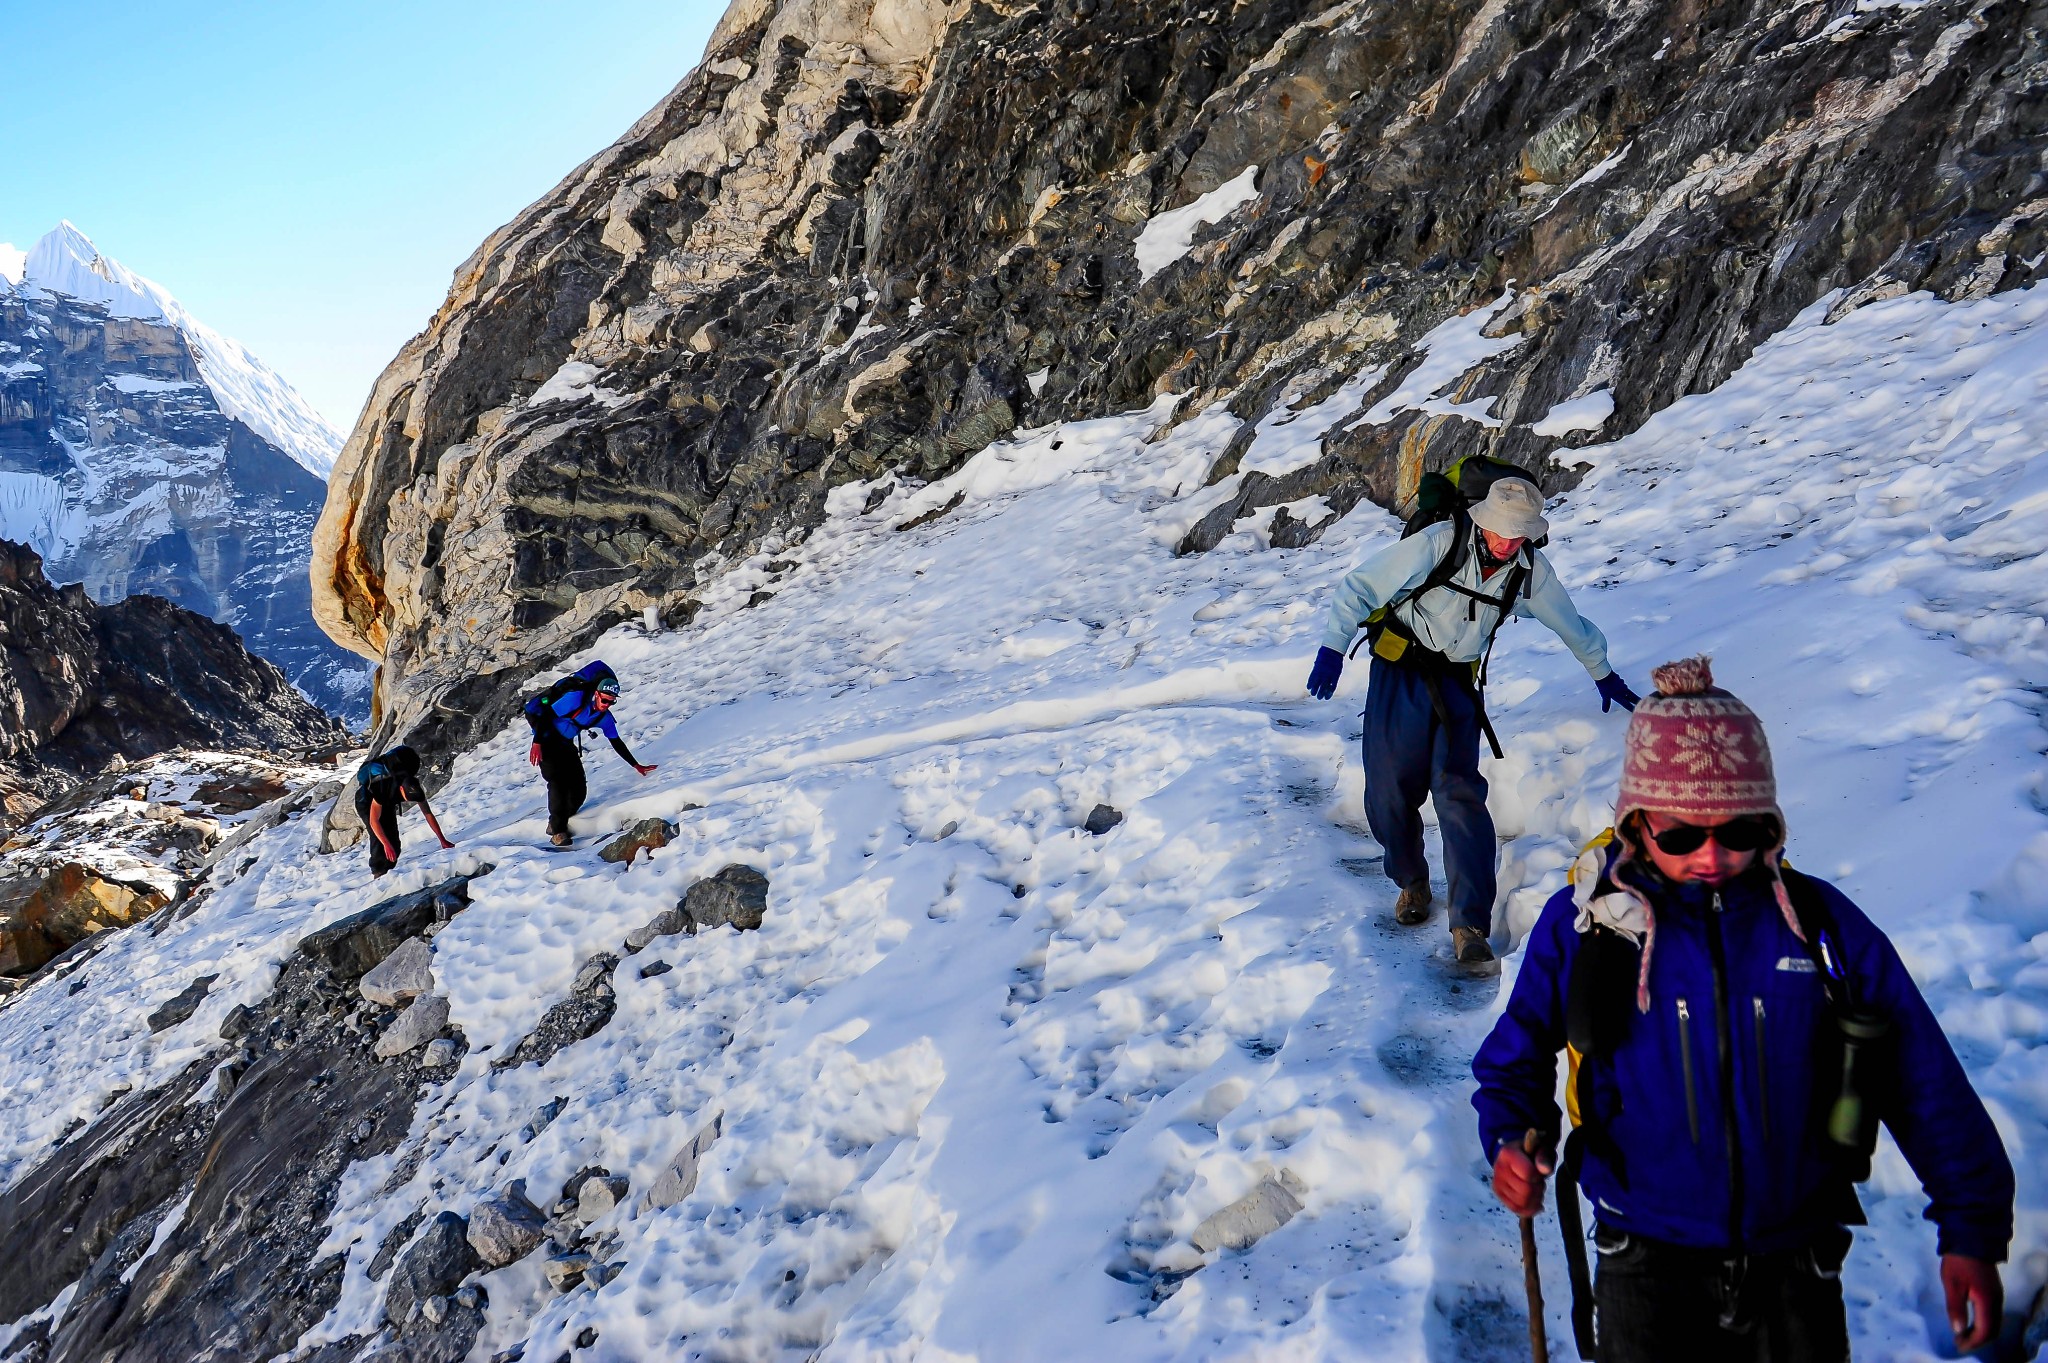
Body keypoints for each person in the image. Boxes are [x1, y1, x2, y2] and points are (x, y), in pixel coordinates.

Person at [1473, 657, 2014, 1362]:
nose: (1712, 855)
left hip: (1798, 1261)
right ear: (1636, 824)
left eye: (1740, 831)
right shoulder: (1589, 922)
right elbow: (1514, 1058)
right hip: (1642, 1258)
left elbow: (1919, 1076)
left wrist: (1970, 1227)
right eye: (1681, 835)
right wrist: (1512, 1135)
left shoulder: (1818, 926)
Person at [1308, 472, 1638, 962]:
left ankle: (1470, 925)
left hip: (1458, 682)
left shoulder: (1528, 569)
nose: (1508, 543)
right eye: (1502, 531)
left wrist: (1602, 672)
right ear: (1484, 521)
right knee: (1388, 790)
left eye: (1519, 534)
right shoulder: (1440, 542)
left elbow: (1570, 622)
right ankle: (1412, 882)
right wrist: (1332, 648)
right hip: (1401, 670)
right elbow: (1359, 587)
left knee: (1459, 793)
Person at [523, 659, 657, 847]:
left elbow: (616, 741)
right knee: (557, 782)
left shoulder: (604, 717)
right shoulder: (574, 698)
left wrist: (636, 765)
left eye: (611, 702)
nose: (606, 705)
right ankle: (558, 831)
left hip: (565, 742)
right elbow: (546, 715)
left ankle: (556, 822)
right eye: (604, 700)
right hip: (546, 737)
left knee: (578, 790)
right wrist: (537, 742)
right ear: (596, 694)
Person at [354, 745, 454, 877]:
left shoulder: (414, 785)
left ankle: (389, 871)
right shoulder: (384, 788)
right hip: (366, 802)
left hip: (387, 802)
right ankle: (378, 873)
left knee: (394, 841)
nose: (408, 801)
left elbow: (428, 814)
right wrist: (386, 844)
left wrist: (442, 839)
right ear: (401, 790)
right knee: (379, 838)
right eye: (407, 799)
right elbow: (374, 821)